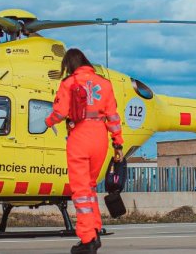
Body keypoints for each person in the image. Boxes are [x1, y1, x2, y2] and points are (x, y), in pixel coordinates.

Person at [45, 48, 124, 254]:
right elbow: (113, 117)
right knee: (89, 187)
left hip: (79, 137)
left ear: (69, 65)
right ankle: (95, 230)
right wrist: (118, 144)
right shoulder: (105, 84)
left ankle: (88, 239)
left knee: (80, 192)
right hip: (100, 137)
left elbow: (60, 112)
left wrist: (47, 121)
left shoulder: (68, 83)